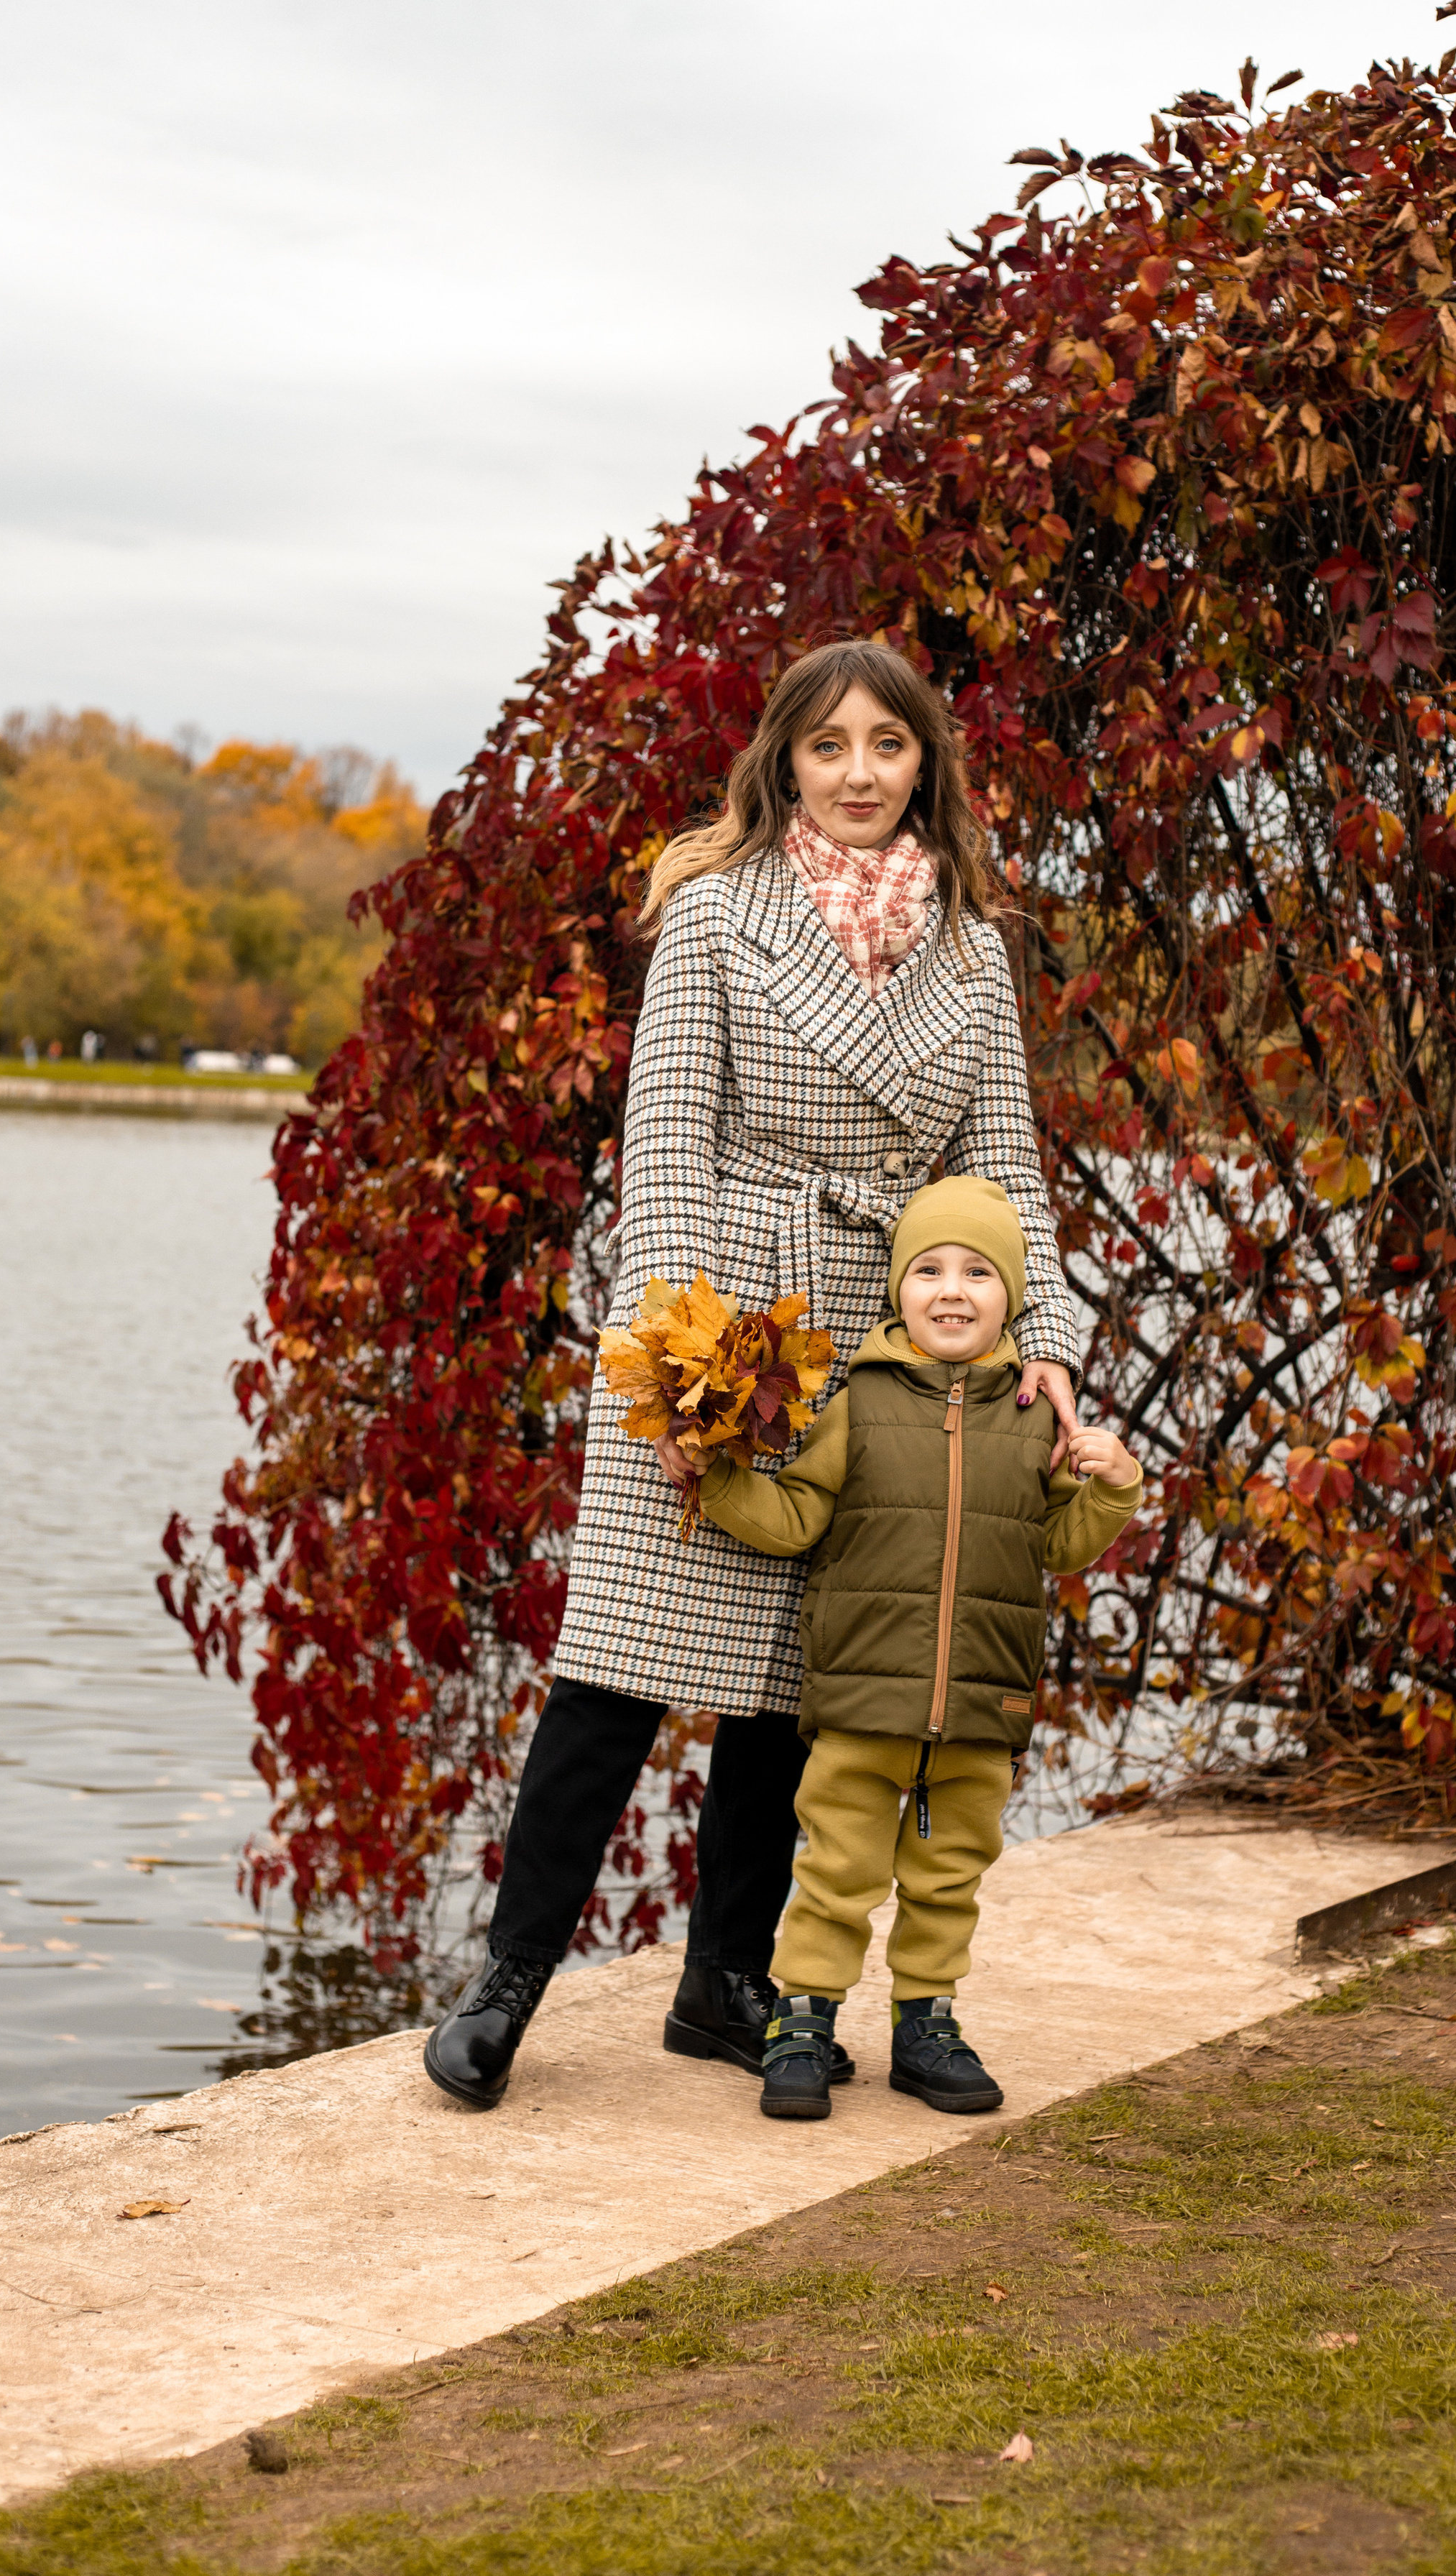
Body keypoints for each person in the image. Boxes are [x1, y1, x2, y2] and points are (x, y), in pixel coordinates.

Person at [423, 641, 1087, 2114]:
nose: (858, 773)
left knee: (803, 1687)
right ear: (782, 761)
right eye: (828, 747)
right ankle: (505, 1989)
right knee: (615, 1671)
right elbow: (659, 1159)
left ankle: (724, 1986)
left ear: (926, 764)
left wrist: (1045, 1343)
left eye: (887, 746)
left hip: (875, 1347)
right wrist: (667, 1379)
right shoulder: (718, 917)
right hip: (714, 1325)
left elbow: (1004, 1174)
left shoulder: (970, 948)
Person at [686, 1174, 1141, 2120]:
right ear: (897, 1288)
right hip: (862, 1701)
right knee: (835, 1868)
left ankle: (925, 2023)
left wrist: (1113, 1489)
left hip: (979, 1705)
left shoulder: (1032, 1418)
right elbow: (799, 1514)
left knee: (948, 1875)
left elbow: (1057, 1544)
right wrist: (722, 1482)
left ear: (1012, 1295)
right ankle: (802, 2019)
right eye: (929, 1268)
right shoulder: (860, 1402)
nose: (951, 1289)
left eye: (978, 1272)